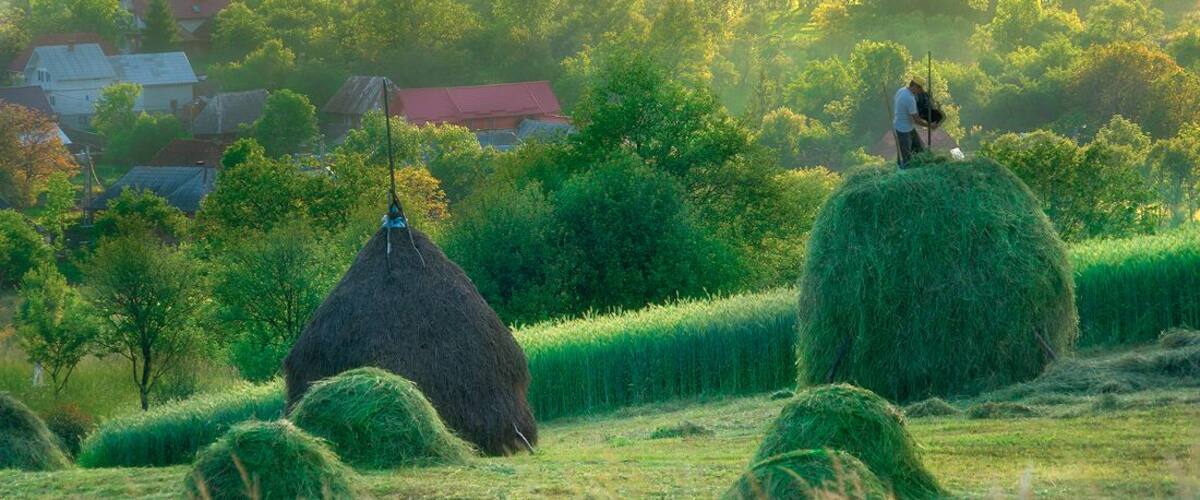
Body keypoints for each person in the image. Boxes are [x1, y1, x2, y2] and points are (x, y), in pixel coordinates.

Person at [893, 77, 938, 168]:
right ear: (914, 86)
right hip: (902, 130)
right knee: (906, 157)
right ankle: (904, 174)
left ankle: (921, 167)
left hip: (908, 127)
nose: (920, 91)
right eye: (919, 88)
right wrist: (930, 125)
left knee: (920, 150)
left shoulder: (901, 90)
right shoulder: (909, 98)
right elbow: (916, 120)